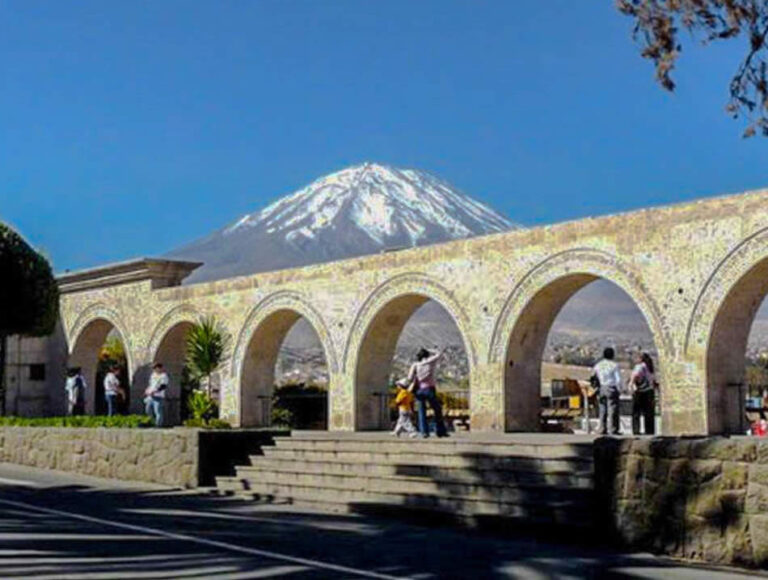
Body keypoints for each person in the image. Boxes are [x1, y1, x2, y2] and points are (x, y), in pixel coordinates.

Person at [407, 347, 448, 438]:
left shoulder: (415, 365)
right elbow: (439, 354)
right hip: (429, 388)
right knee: (437, 409)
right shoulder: (430, 362)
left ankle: (424, 432)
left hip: (418, 390)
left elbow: (409, 378)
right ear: (427, 355)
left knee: (421, 411)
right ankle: (440, 431)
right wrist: (430, 350)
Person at [592, 347, 622, 436]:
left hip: (602, 388)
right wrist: (620, 389)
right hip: (611, 388)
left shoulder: (598, 365)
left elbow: (594, 376)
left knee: (602, 409)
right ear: (612, 355)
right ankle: (613, 429)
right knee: (613, 409)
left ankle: (602, 428)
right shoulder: (614, 365)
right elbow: (618, 379)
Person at [629, 352, 657, 435]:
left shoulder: (640, 366)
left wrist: (631, 383)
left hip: (640, 391)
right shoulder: (650, 368)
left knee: (636, 412)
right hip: (649, 391)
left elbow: (636, 375)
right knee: (648, 413)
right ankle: (649, 430)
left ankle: (636, 430)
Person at [144, 362, 169, 427]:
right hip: (150, 396)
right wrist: (147, 390)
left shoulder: (164, 376)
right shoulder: (153, 375)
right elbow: (151, 384)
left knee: (158, 411)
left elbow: (163, 386)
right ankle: (152, 422)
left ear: (160, 368)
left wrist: (155, 391)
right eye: (154, 368)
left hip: (158, 396)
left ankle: (158, 425)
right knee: (148, 409)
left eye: (156, 368)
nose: (154, 370)